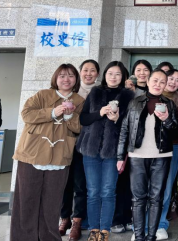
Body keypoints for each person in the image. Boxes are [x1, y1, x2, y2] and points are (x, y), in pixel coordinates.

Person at [11, 64, 85, 241]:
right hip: (32, 153)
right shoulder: (42, 95)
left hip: (60, 155)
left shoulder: (79, 101)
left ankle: (49, 237)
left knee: (52, 202)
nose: (66, 79)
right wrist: (52, 112)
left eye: (71, 76)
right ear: (55, 78)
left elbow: (80, 128)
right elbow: (26, 114)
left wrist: (70, 116)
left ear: (76, 79)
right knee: (26, 199)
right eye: (62, 76)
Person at [117, 69, 178, 241]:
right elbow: (125, 129)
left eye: (162, 82)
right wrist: (120, 157)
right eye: (155, 80)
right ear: (148, 81)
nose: (158, 84)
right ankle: (139, 236)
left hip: (162, 155)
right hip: (137, 155)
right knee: (138, 198)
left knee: (156, 198)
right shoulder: (135, 102)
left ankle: (151, 237)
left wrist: (166, 119)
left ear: (165, 85)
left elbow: (176, 130)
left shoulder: (169, 104)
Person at [78, 62, 134, 241]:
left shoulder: (128, 96)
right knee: (93, 191)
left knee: (108, 191)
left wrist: (117, 119)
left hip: (113, 151)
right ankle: (93, 230)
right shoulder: (95, 92)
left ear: (123, 77)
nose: (113, 77)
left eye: (118, 74)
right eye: (110, 73)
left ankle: (105, 230)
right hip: (91, 149)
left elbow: (131, 125)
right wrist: (99, 113)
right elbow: (83, 119)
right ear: (105, 75)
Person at [60, 60, 100, 241]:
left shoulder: (99, 92)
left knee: (80, 184)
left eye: (92, 70)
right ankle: (64, 218)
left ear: (98, 74)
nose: (88, 73)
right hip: (66, 143)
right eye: (85, 70)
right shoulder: (71, 92)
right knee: (64, 183)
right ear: (80, 72)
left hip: (87, 145)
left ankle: (77, 220)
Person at [153, 69, 178, 240]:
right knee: (147, 188)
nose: (173, 82)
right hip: (150, 148)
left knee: (165, 188)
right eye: (170, 78)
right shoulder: (145, 99)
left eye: (177, 80)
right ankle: (143, 225)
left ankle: (160, 224)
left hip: (172, 146)